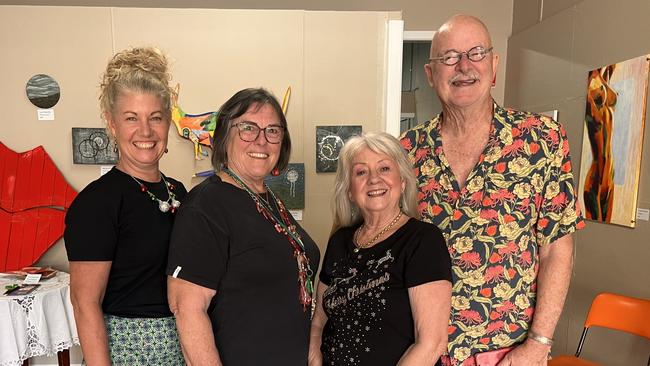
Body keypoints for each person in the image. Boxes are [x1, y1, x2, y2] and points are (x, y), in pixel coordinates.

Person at [400, 15, 586, 366]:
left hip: (508, 354)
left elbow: (557, 249)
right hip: (422, 350)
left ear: (494, 64)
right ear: (430, 74)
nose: (464, 66)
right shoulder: (406, 151)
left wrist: (539, 343)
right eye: (450, 57)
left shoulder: (541, 140)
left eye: (476, 53)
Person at [166, 88, 320, 366]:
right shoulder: (206, 206)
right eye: (248, 128)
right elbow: (187, 308)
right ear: (224, 136)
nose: (262, 140)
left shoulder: (268, 198)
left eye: (273, 130)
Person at [64, 47, 187, 365]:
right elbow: (84, 302)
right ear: (112, 123)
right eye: (131, 118)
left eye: (155, 118)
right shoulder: (97, 202)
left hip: (183, 345)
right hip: (127, 352)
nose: (145, 131)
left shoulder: (179, 192)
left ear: (167, 123)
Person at [309, 132, 452, 366]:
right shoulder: (339, 241)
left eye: (384, 168)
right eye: (361, 172)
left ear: (402, 182)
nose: (374, 179)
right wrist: (315, 356)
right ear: (349, 191)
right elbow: (318, 321)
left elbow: (431, 343)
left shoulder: (422, 240)